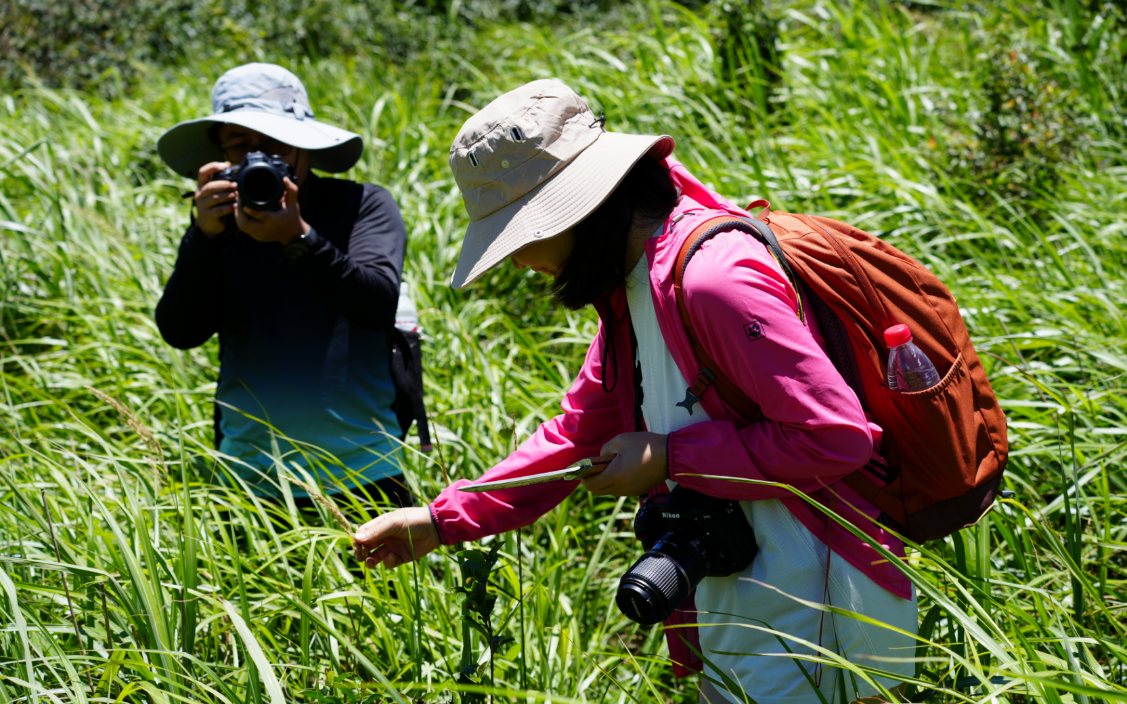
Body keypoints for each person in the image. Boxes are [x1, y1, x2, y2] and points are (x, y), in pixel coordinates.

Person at [352, 79, 918, 703]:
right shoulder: (633, 288)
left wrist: (672, 458)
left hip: (820, 603)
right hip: (746, 597)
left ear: (580, 209)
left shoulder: (711, 281)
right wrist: (440, 521)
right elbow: (577, 433)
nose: (518, 261)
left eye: (521, 236)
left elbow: (833, 437)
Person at [155, 63, 415, 510]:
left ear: (303, 144)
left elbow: (376, 304)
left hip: (368, 472)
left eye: (273, 144)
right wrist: (204, 236)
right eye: (240, 146)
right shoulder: (219, 228)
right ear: (221, 157)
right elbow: (181, 332)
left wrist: (299, 239)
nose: (259, 160)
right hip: (252, 479)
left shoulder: (362, 206)